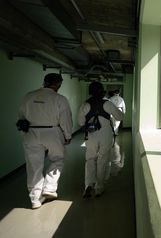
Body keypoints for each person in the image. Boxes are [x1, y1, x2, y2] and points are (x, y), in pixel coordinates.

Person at [18, 73, 73, 209]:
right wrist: (68, 135)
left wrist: (24, 133)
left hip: (31, 132)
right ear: (59, 84)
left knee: (33, 165)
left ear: (44, 82)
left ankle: (35, 199)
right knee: (57, 159)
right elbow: (65, 120)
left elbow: (21, 116)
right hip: (52, 132)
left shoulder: (28, 96)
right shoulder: (60, 99)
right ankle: (49, 188)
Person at [78, 82, 124, 198]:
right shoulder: (107, 103)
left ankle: (88, 184)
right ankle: (99, 187)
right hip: (105, 134)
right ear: (101, 91)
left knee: (90, 159)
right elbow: (120, 117)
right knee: (103, 159)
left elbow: (80, 122)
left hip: (91, 135)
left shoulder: (85, 104)